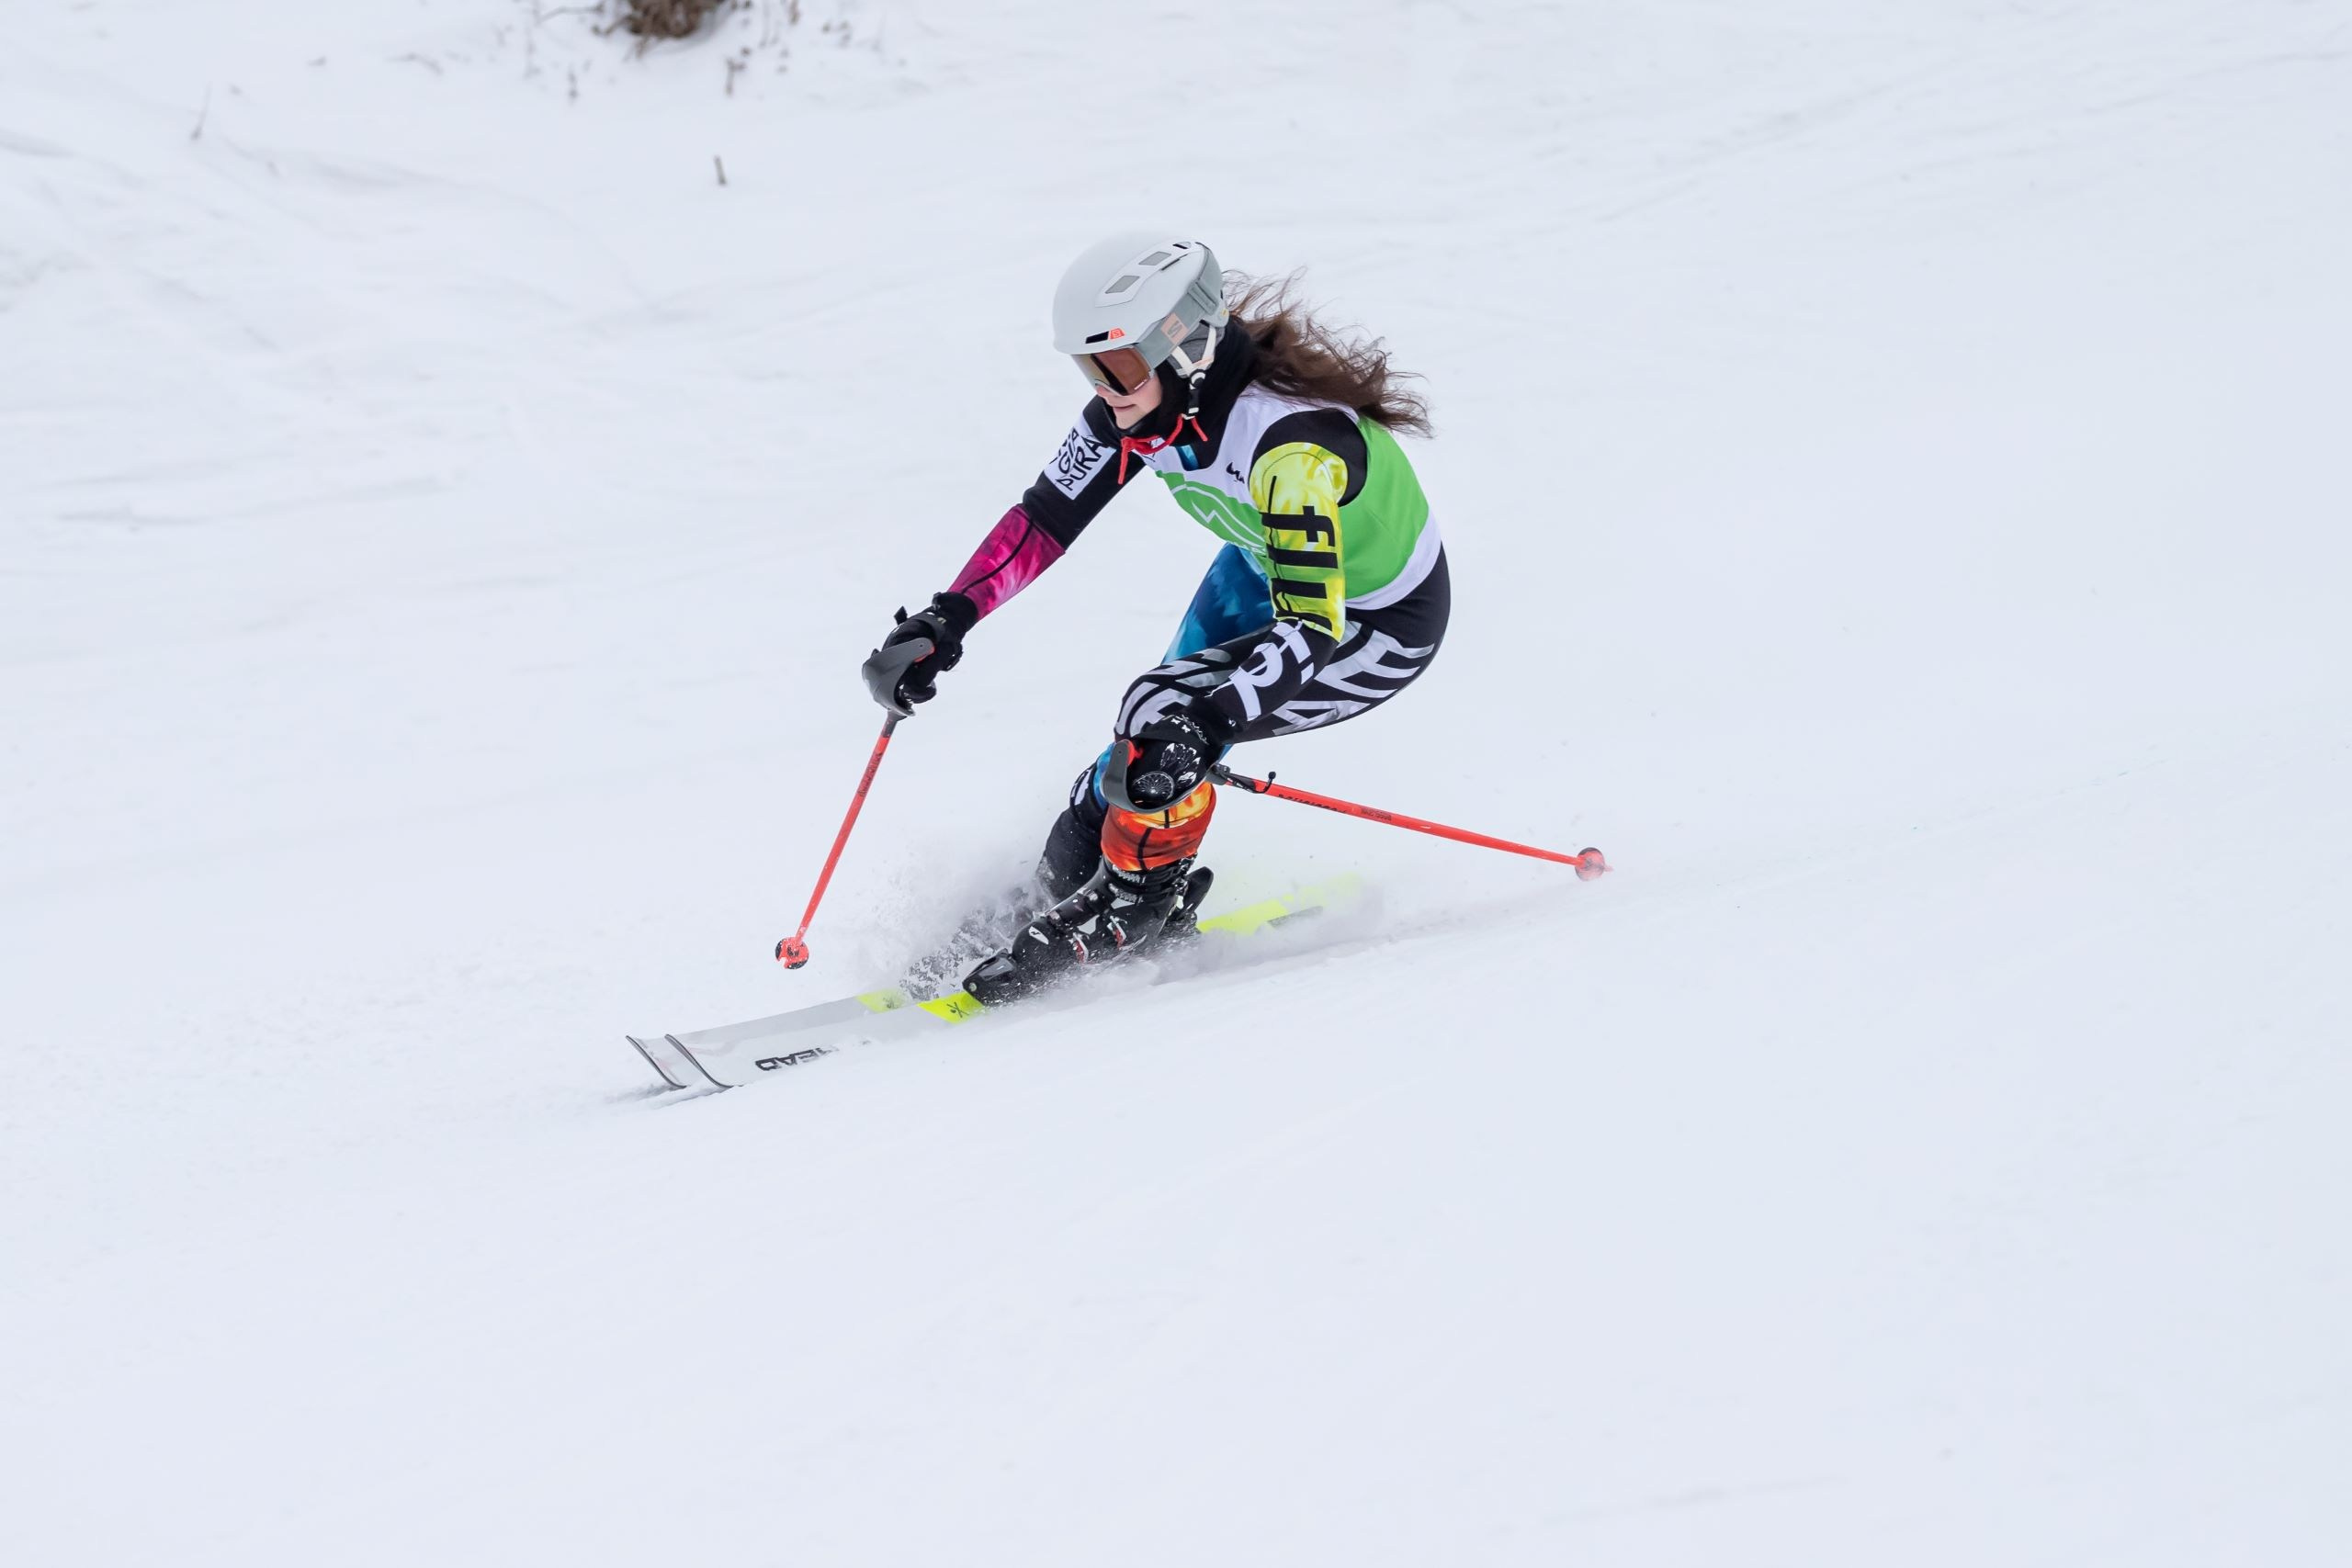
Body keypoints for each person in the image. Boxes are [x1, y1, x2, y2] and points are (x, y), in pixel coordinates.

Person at [865, 233, 1448, 999]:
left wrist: (1209, 724)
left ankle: (1136, 907)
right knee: (1137, 755)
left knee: (1164, 721)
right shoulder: (1147, 407)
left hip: (1377, 623)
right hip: (1262, 569)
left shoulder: (1292, 450)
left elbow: (1312, 627)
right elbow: (1045, 518)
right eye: (1090, 368)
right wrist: (946, 622)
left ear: (1189, 345)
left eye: (1119, 366)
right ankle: (1065, 892)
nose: (1105, 389)